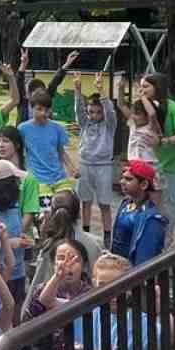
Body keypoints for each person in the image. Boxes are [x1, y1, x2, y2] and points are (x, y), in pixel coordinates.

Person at [72, 74, 119, 238]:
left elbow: (110, 112)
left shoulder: (109, 125)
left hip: (104, 166)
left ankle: (107, 235)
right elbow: (79, 110)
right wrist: (77, 90)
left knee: (105, 203)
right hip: (85, 165)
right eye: (91, 112)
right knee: (85, 201)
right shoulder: (85, 123)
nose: (94, 115)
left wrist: (101, 90)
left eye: (98, 112)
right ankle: (86, 233)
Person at [138, 74, 175, 205]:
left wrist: (164, 141)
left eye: (145, 86)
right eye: (140, 87)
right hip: (148, 167)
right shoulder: (142, 107)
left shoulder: (174, 108)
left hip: (170, 168)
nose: (141, 90)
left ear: (157, 87)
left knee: (168, 208)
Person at [108, 160, 168, 266]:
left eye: (128, 179)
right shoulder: (126, 204)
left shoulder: (152, 219)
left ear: (144, 184)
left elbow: (144, 261)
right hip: (117, 267)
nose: (122, 181)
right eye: (122, 178)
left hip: (132, 274)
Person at [17, 96, 77, 195]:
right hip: (38, 179)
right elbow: (19, 152)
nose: (43, 113)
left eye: (47, 110)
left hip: (59, 177)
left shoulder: (58, 128)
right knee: (46, 210)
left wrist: (71, 168)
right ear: (31, 108)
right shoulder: (23, 129)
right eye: (39, 109)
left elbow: (61, 151)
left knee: (67, 205)